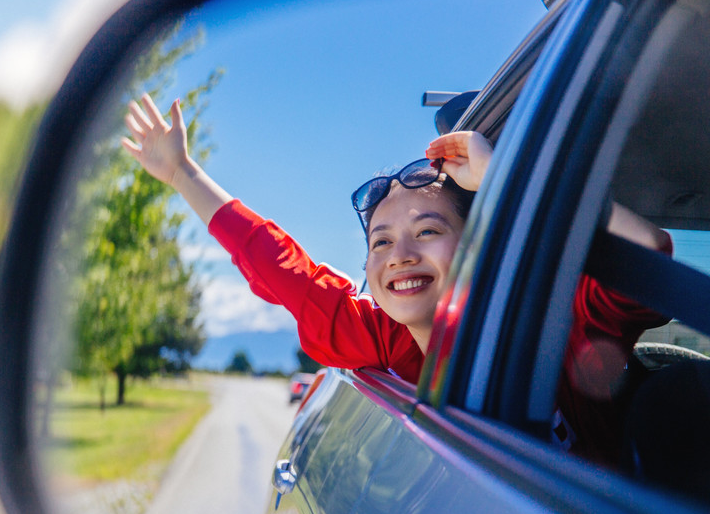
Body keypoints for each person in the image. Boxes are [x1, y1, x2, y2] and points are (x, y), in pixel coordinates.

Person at [122, 94, 670, 463]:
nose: (398, 256)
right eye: (379, 242)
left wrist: (507, 176)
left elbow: (647, 253)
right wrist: (181, 173)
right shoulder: (387, 340)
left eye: (427, 230)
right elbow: (281, 268)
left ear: (480, 245)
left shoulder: (564, 326)